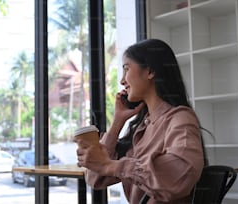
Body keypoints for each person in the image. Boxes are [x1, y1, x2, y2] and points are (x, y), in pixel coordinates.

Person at [74, 39, 205, 204]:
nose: (122, 81)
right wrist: (117, 122)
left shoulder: (180, 119)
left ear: (149, 71)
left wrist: (112, 166)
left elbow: (177, 176)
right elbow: (95, 179)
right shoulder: (142, 127)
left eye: (126, 69)